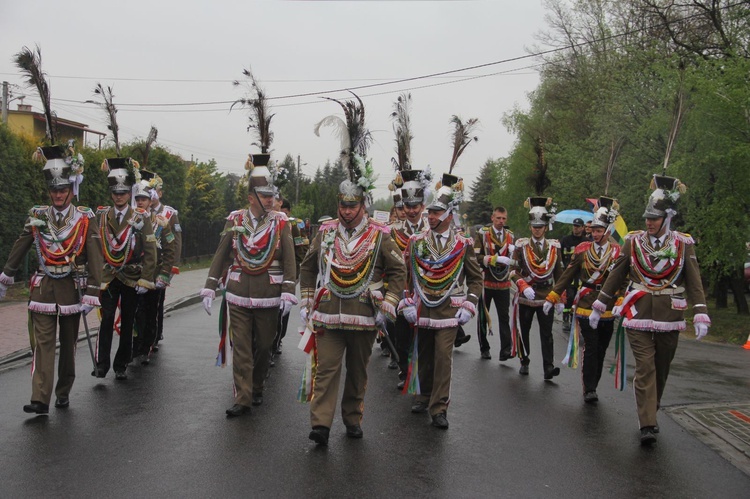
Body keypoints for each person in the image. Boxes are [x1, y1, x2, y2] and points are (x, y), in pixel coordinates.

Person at [301, 95, 406, 445]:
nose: (346, 212)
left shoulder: (381, 234)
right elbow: (307, 266)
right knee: (326, 370)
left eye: (352, 206)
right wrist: (305, 298)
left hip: (364, 314)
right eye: (342, 206)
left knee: (358, 373)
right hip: (329, 314)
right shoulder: (326, 230)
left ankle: (352, 417)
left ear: (363, 204)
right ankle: (320, 425)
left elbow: (398, 270)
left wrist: (389, 302)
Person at [591, 175, 710, 445]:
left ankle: (651, 409)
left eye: (654, 218)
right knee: (645, 367)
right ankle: (647, 423)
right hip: (638, 313)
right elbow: (616, 274)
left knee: (661, 366)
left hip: (671, 315)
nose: (648, 222)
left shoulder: (683, 244)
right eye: (647, 217)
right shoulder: (632, 242)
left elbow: (694, 280)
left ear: (667, 218)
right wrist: (602, 303)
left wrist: (701, 311)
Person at [0, 143, 103, 414]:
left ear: (71, 190)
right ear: (49, 191)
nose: (57, 195)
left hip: (72, 290)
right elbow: (22, 243)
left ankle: (63, 390)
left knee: (68, 344)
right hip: (43, 289)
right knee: (43, 343)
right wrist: (6, 275)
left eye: (62, 190)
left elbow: (94, 254)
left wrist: (94, 290)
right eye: (53, 190)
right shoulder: (38, 215)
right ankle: (40, 398)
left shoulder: (84, 218)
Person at [200, 159, 297, 417]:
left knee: (264, 346)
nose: (270, 200)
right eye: (264, 195)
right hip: (239, 291)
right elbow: (221, 253)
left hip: (269, 293)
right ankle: (242, 397)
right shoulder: (235, 219)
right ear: (250, 197)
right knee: (241, 346)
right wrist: (210, 285)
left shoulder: (281, 222)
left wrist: (289, 289)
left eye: (271, 195)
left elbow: (289, 258)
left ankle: (257, 385)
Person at [399, 174, 483, 429]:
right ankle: (423, 396)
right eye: (431, 212)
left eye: (436, 213)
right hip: (423, 306)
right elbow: (406, 275)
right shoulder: (417, 242)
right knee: (424, 355)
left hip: (449, 310)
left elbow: (476, 278)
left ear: (448, 215)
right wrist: (407, 301)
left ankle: (439, 407)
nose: (431, 216)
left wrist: (470, 304)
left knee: (443, 357)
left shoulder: (463, 244)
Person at [544, 198, 621, 402]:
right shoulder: (583, 250)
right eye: (593, 230)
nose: (595, 234)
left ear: (607, 231)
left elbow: (622, 279)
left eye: (599, 230)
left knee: (602, 348)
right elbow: (567, 275)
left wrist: (621, 300)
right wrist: (553, 296)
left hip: (607, 305)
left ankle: (594, 382)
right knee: (591, 346)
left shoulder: (617, 253)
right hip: (586, 305)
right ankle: (589, 389)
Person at [94, 158, 157, 381]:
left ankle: (121, 363)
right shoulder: (102, 216)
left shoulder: (140, 217)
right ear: (111, 193)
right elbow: (95, 247)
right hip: (110, 274)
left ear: (129, 193)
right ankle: (101, 365)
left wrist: (146, 279)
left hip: (131, 275)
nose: (119, 196)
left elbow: (150, 249)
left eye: (123, 192)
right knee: (107, 317)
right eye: (115, 192)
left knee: (128, 319)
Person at [510, 197, 564, 379]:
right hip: (528, 294)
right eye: (534, 226)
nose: (537, 229)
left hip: (546, 295)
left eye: (540, 226)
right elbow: (512, 270)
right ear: (530, 226)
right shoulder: (521, 246)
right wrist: (522, 285)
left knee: (546, 333)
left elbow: (559, 274)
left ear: (546, 227)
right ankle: (524, 360)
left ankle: (548, 367)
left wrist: (560, 297)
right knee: (524, 330)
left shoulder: (554, 247)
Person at [390, 169, 430, 386]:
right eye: (408, 207)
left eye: (416, 207)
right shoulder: (393, 232)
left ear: (422, 207)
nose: (412, 211)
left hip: (428, 295)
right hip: (401, 295)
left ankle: (419, 385)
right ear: (402, 207)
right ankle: (405, 371)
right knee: (402, 341)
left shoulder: (431, 230)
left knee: (423, 341)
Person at [132, 172, 175, 365]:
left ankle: (146, 346)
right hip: (133, 274)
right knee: (135, 313)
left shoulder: (161, 222)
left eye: (144, 199)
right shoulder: (130, 221)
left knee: (150, 313)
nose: (141, 202)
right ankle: (135, 347)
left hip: (154, 275)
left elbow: (170, 249)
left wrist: (164, 275)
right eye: (138, 199)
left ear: (151, 201)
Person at [474, 206, 515, 360]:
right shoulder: (483, 234)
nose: (501, 221)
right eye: (498, 218)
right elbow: (476, 256)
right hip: (486, 281)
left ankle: (505, 350)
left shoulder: (510, 235)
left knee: (504, 317)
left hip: (503, 282)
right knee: (483, 316)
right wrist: (492, 259)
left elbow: (514, 258)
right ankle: (484, 348)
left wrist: (510, 262)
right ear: (492, 218)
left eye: (503, 218)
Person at [271, 196, 309, 357]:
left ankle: (276, 342)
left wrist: (293, 272)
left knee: (281, 311)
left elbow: (300, 249)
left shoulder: (293, 224)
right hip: (266, 277)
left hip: (286, 274)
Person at [150, 177, 182, 349]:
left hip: (162, 264)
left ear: (160, 194)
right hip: (145, 265)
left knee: (158, 301)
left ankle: (155, 334)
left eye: (155, 192)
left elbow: (176, 241)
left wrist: (172, 267)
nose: (152, 196)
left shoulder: (169, 213)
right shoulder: (140, 211)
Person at [559, 218, 587, 334]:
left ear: (582, 228)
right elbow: (559, 255)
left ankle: (574, 319)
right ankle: (566, 319)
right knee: (569, 297)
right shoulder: (565, 240)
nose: (575, 228)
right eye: (574, 226)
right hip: (568, 273)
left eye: (578, 226)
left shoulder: (586, 241)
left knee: (578, 297)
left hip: (580, 275)